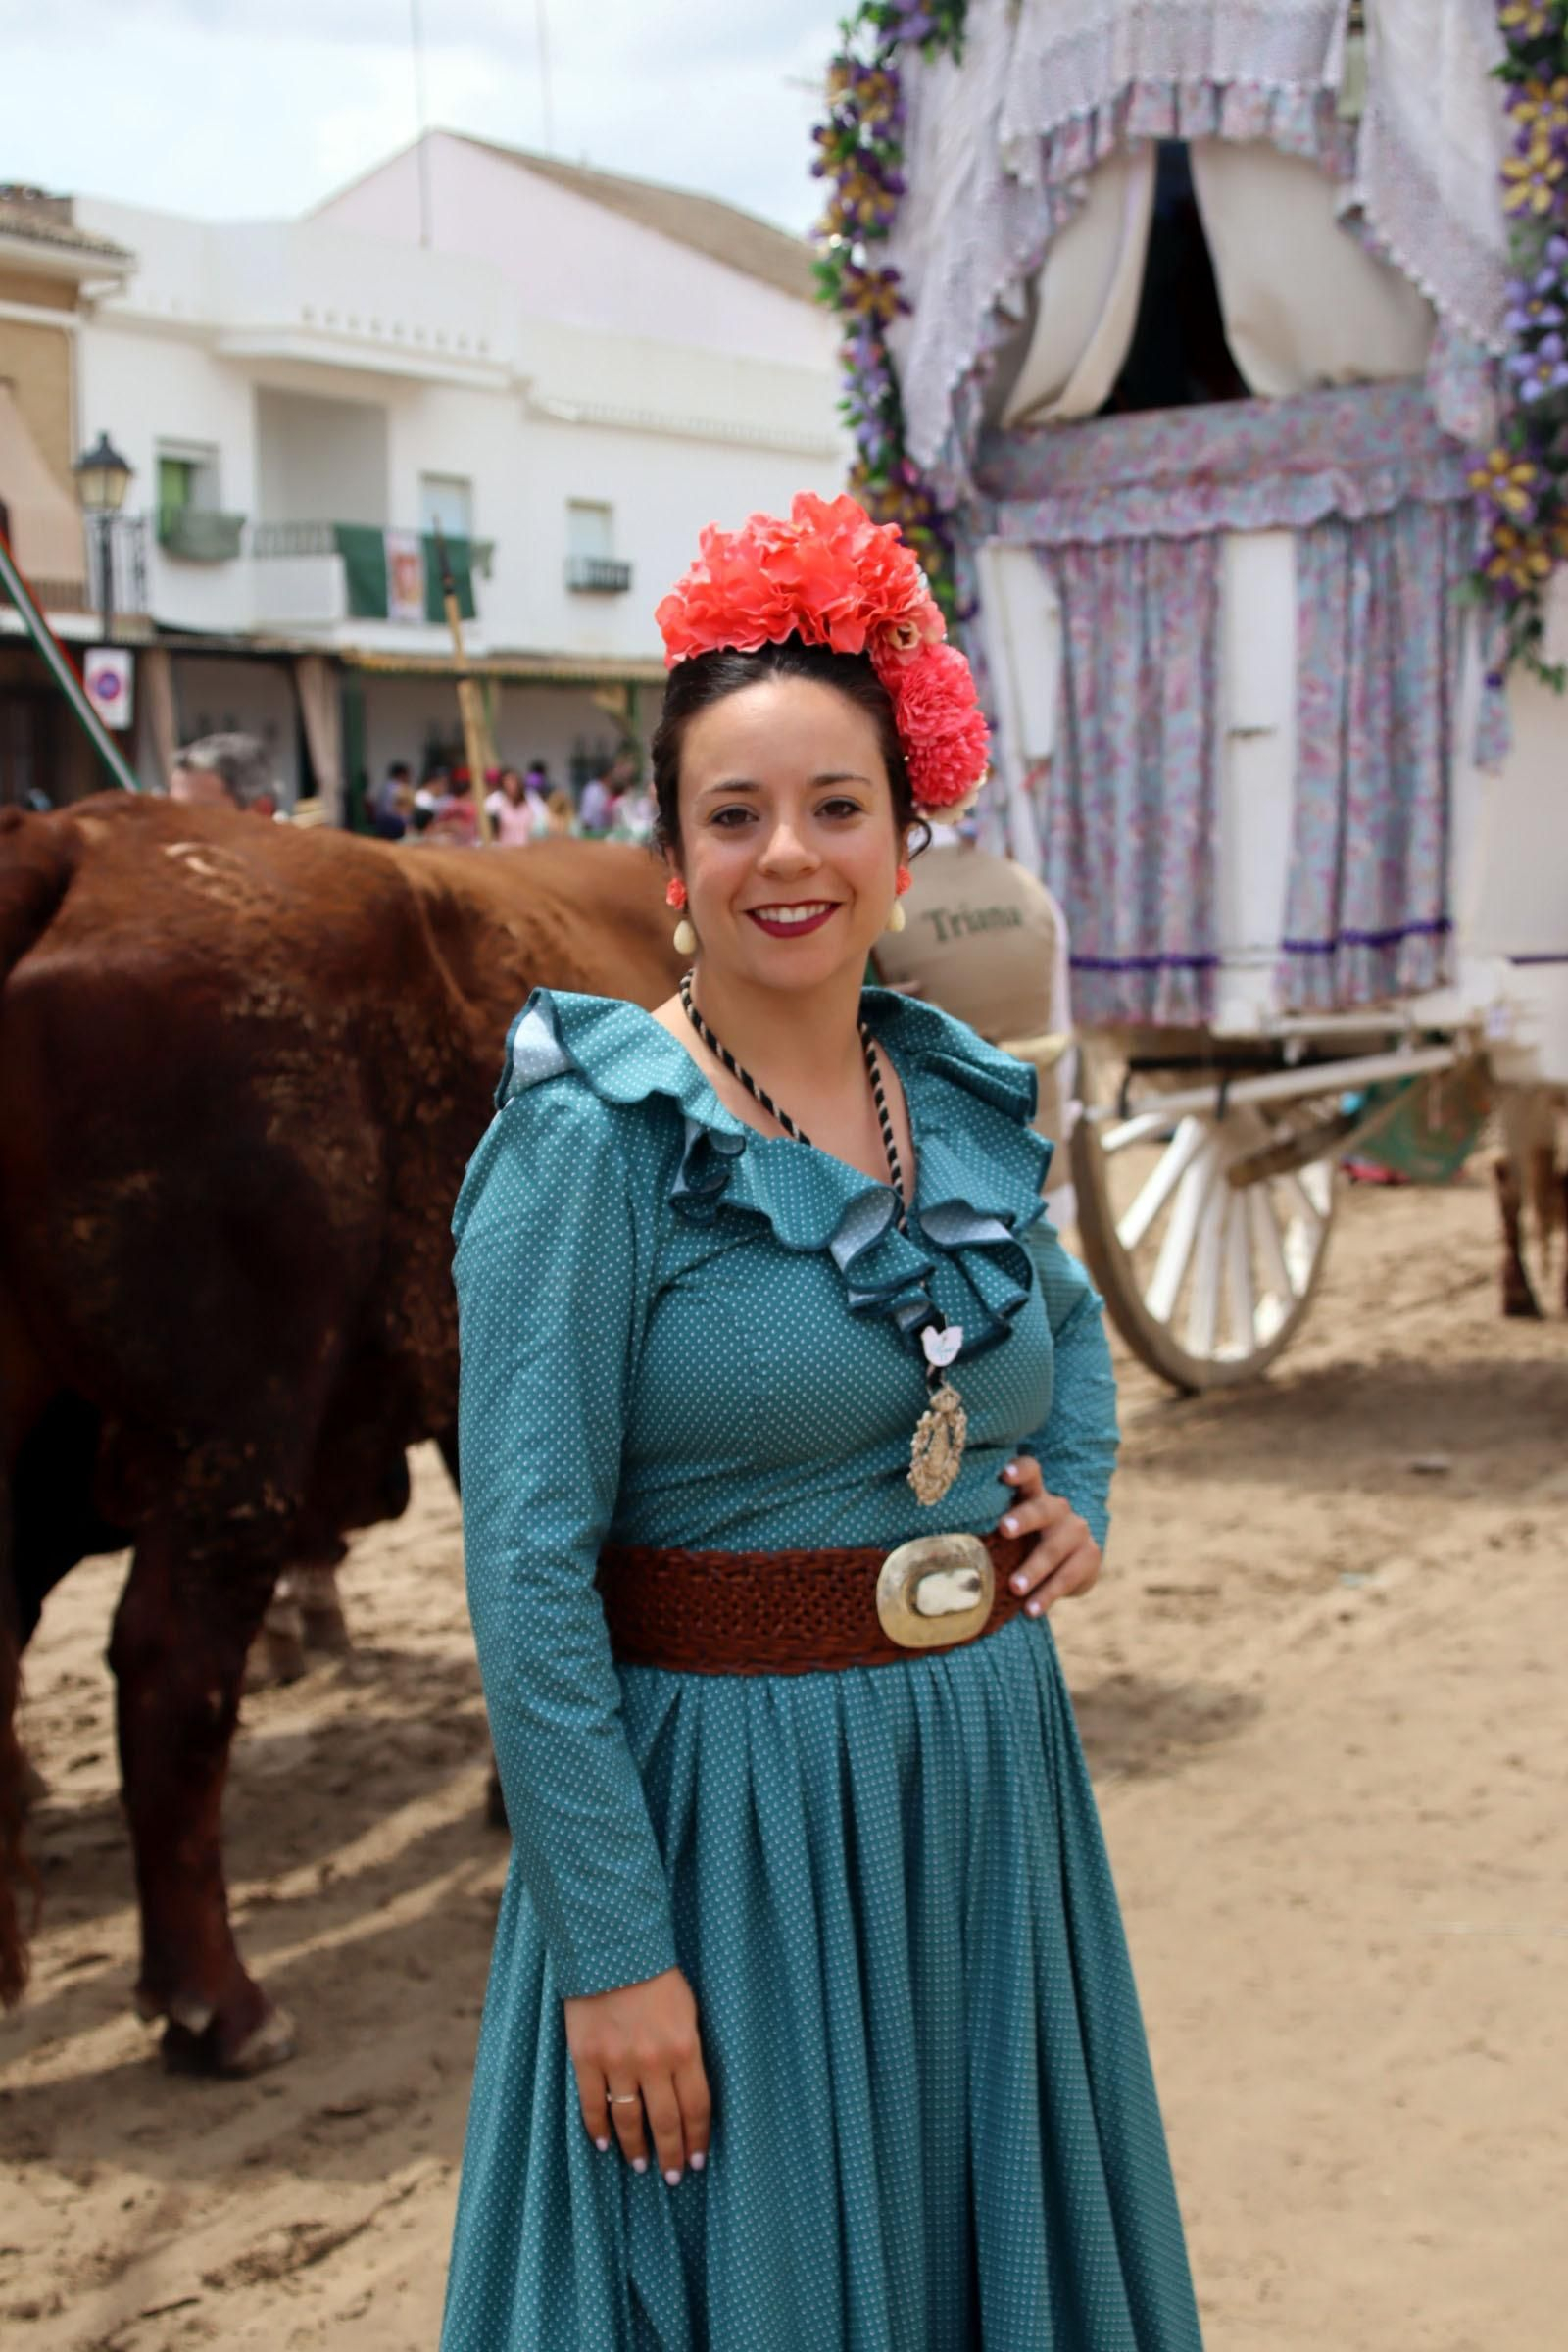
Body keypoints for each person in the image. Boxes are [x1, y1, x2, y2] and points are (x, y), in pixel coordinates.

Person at [441, 492, 1202, 2350]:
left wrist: (1074, 1490)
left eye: (834, 807)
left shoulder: (954, 1096)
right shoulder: (592, 1144)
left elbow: (1070, 1335)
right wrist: (616, 1956)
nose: (790, 854)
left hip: (979, 1788)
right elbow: (526, 1574)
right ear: (674, 856)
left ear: (902, 831)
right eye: (735, 814)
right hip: (730, 1831)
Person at [485, 765, 538, 848]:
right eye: (507, 782)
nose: (510, 785)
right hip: (506, 852)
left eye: (513, 781)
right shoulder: (496, 801)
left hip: (527, 850)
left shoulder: (531, 799)